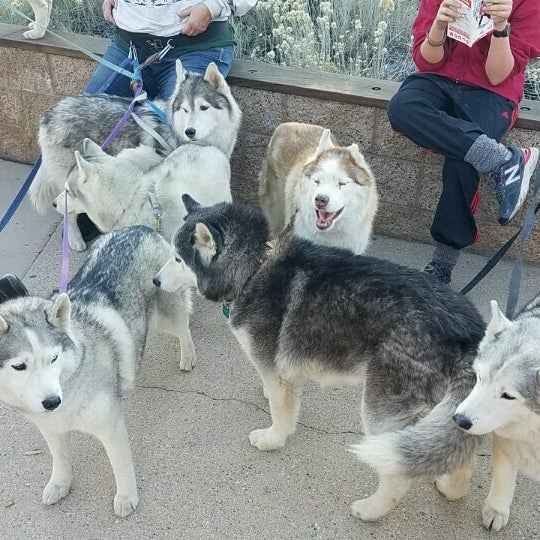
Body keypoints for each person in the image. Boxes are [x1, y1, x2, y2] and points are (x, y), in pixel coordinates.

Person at [387, 0, 540, 284]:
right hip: (438, 79)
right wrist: (439, 25)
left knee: (464, 159)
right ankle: (505, 160)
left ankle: (442, 264)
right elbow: (426, 61)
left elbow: (497, 75)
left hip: (491, 92)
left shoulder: (528, 4)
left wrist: (500, 28)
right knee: (403, 109)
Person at [85, 0, 259, 99]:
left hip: (195, 48)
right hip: (129, 47)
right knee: (81, 124)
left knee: (182, 142)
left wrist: (213, 7)